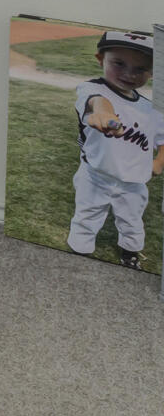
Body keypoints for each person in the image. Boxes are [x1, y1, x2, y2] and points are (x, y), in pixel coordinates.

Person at [67, 30, 161, 268]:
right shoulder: (91, 89)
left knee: (131, 221)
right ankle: (79, 252)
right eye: (119, 63)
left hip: (133, 181)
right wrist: (103, 113)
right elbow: (97, 102)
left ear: (152, 72)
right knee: (86, 216)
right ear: (101, 59)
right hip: (95, 175)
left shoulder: (151, 109)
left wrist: (158, 164)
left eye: (141, 69)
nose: (129, 73)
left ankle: (129, 254)